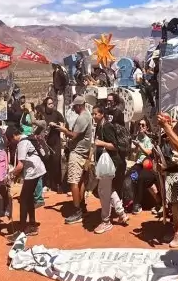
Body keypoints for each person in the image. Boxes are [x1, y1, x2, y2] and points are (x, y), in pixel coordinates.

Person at [92, 105, 129, 233]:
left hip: (110, 163)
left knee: (103, 192)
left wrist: (100, 143)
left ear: (102, 114)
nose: (94, 116)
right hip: (105, 163)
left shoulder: (107, 126)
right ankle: (121, 213)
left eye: (95, 114)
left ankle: (106, 221)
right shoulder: (100, 125)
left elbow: (114, 146)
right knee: (108, 189)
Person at [58, 95, 94, 225]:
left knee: (73, 181)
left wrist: (63, 130)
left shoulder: (83, 117)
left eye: (74, 107)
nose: (73, 109)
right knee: (81, 181)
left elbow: (73, 135)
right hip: (83, 153)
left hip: (77, 153)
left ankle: (77, 211)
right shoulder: (87, 116)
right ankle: (82, 207)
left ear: (79, 106)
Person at [8, 126, 46, 240]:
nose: (10, 141)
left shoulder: (22, 143)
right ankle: (32, 225)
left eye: (10, 139)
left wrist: (10, 175)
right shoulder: (28, 138)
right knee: (28, 197)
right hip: (37, 170)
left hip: (33, 172)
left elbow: (20, 165)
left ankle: (21, 230)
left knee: (24, 199)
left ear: (14, 136)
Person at [124, 119, 162, 214]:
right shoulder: (137, 138)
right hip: (138, 165)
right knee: (131, 177)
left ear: (147, 127)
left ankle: (138, 204)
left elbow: (149, 152)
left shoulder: (148, 139)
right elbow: (134, 154)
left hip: (147, 166)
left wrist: (140, 145)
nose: (140, 126)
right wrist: (135, 148)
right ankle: (129, 201)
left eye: (143, 125)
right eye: (139, 125)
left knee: (142, 179)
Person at [41, 97, 65, 192]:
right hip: (46, 142)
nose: (51, 105)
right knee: (47, 162)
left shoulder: (57, 114)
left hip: (55, 141)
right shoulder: (42, 115)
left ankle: (57, 183)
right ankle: (47, 183)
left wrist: (55, 125)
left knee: (56, 162)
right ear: (45, 105)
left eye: (52, 103)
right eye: (49, 104)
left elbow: (63, 124)